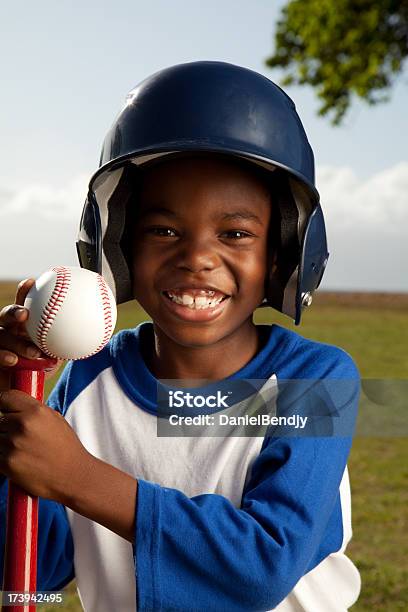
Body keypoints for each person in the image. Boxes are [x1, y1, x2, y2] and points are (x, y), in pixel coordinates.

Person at [0, 62, 361, 611]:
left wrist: (77, 475)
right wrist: (12, 405)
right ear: (119, 244)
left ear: (283, 253)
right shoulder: (90, 378)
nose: (195, 258)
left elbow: (263, 567)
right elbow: (35, 568)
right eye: (163, 230)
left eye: (235, 233)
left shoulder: (314, 381)